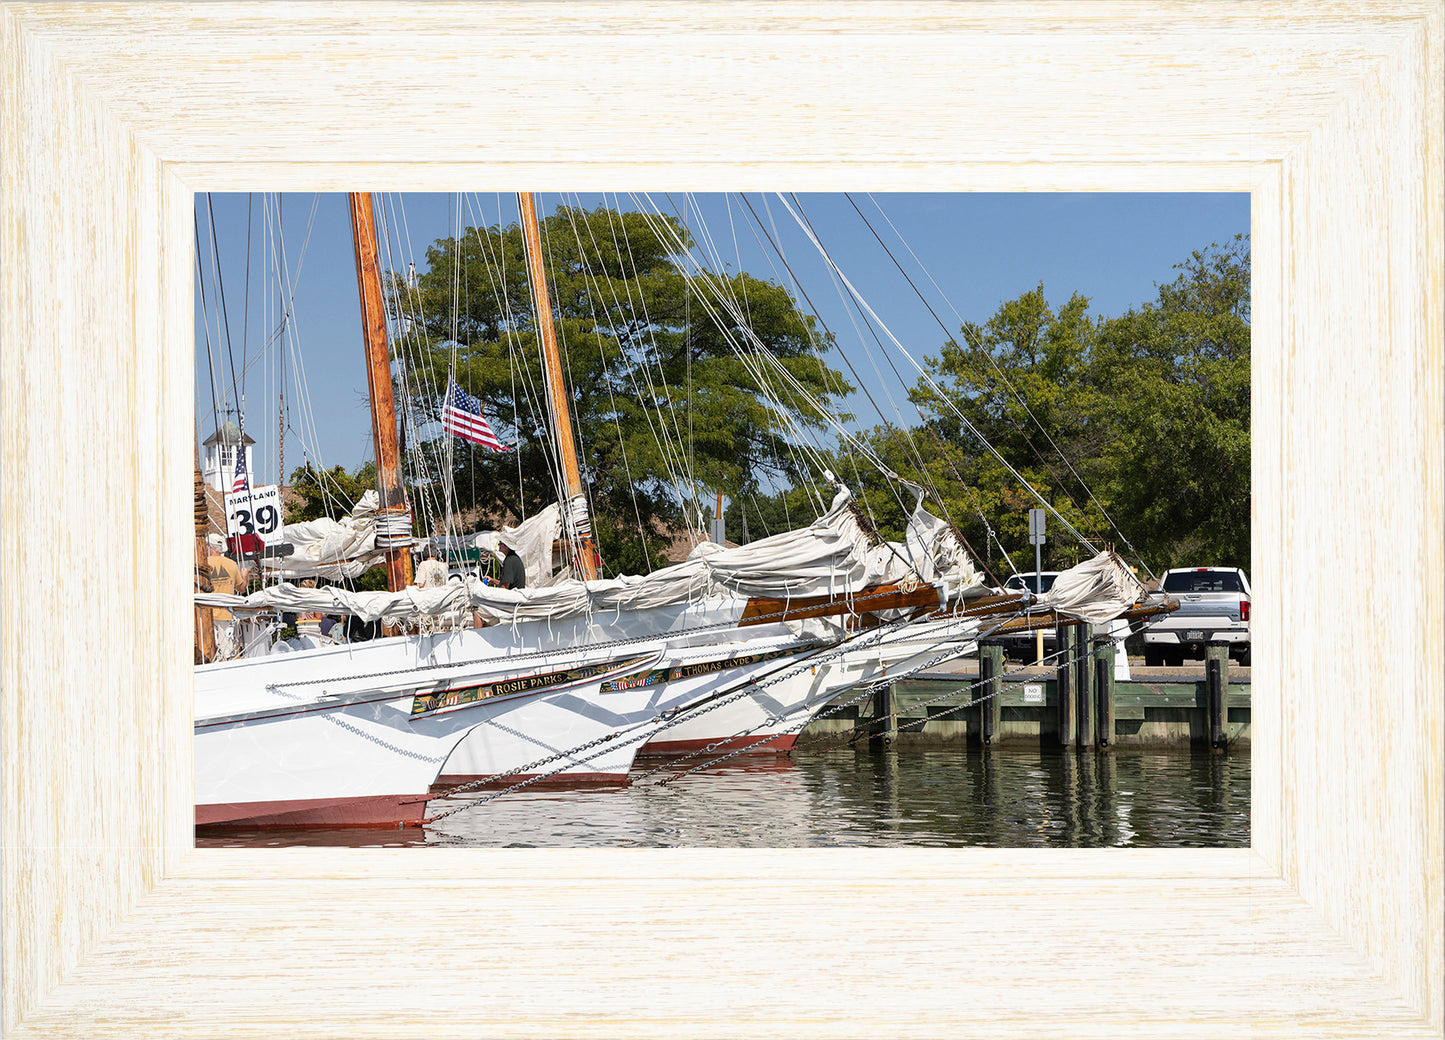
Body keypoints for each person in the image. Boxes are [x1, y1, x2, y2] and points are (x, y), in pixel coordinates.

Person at [205, 533, 248, 658]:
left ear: (209, 547)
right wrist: (244, 576)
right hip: (226, 614)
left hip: (206, 614)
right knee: (228, 652)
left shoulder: (201, 564)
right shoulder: (231, 564)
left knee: (208, 652)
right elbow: (241, 588)